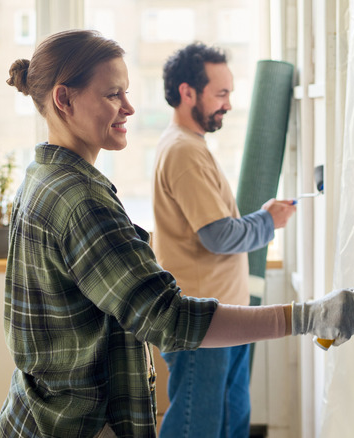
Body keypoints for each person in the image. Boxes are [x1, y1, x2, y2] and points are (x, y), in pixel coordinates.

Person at [0, 29, 354, 438]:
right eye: (113, 94)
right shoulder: (81, 198)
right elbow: (170, 315)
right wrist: (310, 317)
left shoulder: (44, 176)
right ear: (64, 100)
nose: (129, 107)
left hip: (40, 415)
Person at [151, 42, 297, 438]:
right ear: (187, 93)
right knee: (194, 426)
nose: (228, 104)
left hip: (225, 317)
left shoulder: (193, 144)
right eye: (221, 93)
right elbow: (218, 236)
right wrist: (269, 222)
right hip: (202, 323)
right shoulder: (183, 151)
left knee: (231, 419)